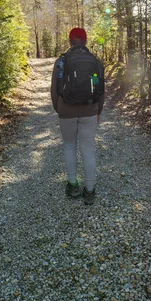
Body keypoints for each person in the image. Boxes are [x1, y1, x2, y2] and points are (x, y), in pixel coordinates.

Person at [51, 28, 104, 205]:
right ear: (86, 41)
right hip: (89, 109)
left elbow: (54, 90)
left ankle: (73, 185)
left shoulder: (61, 61)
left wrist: (60, 109)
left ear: (70, 41)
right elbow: (99, 87)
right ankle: (89, 190)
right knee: (88, 149)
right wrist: (98, 110)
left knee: (69, 145)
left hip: (66, 109)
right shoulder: (95, 61)